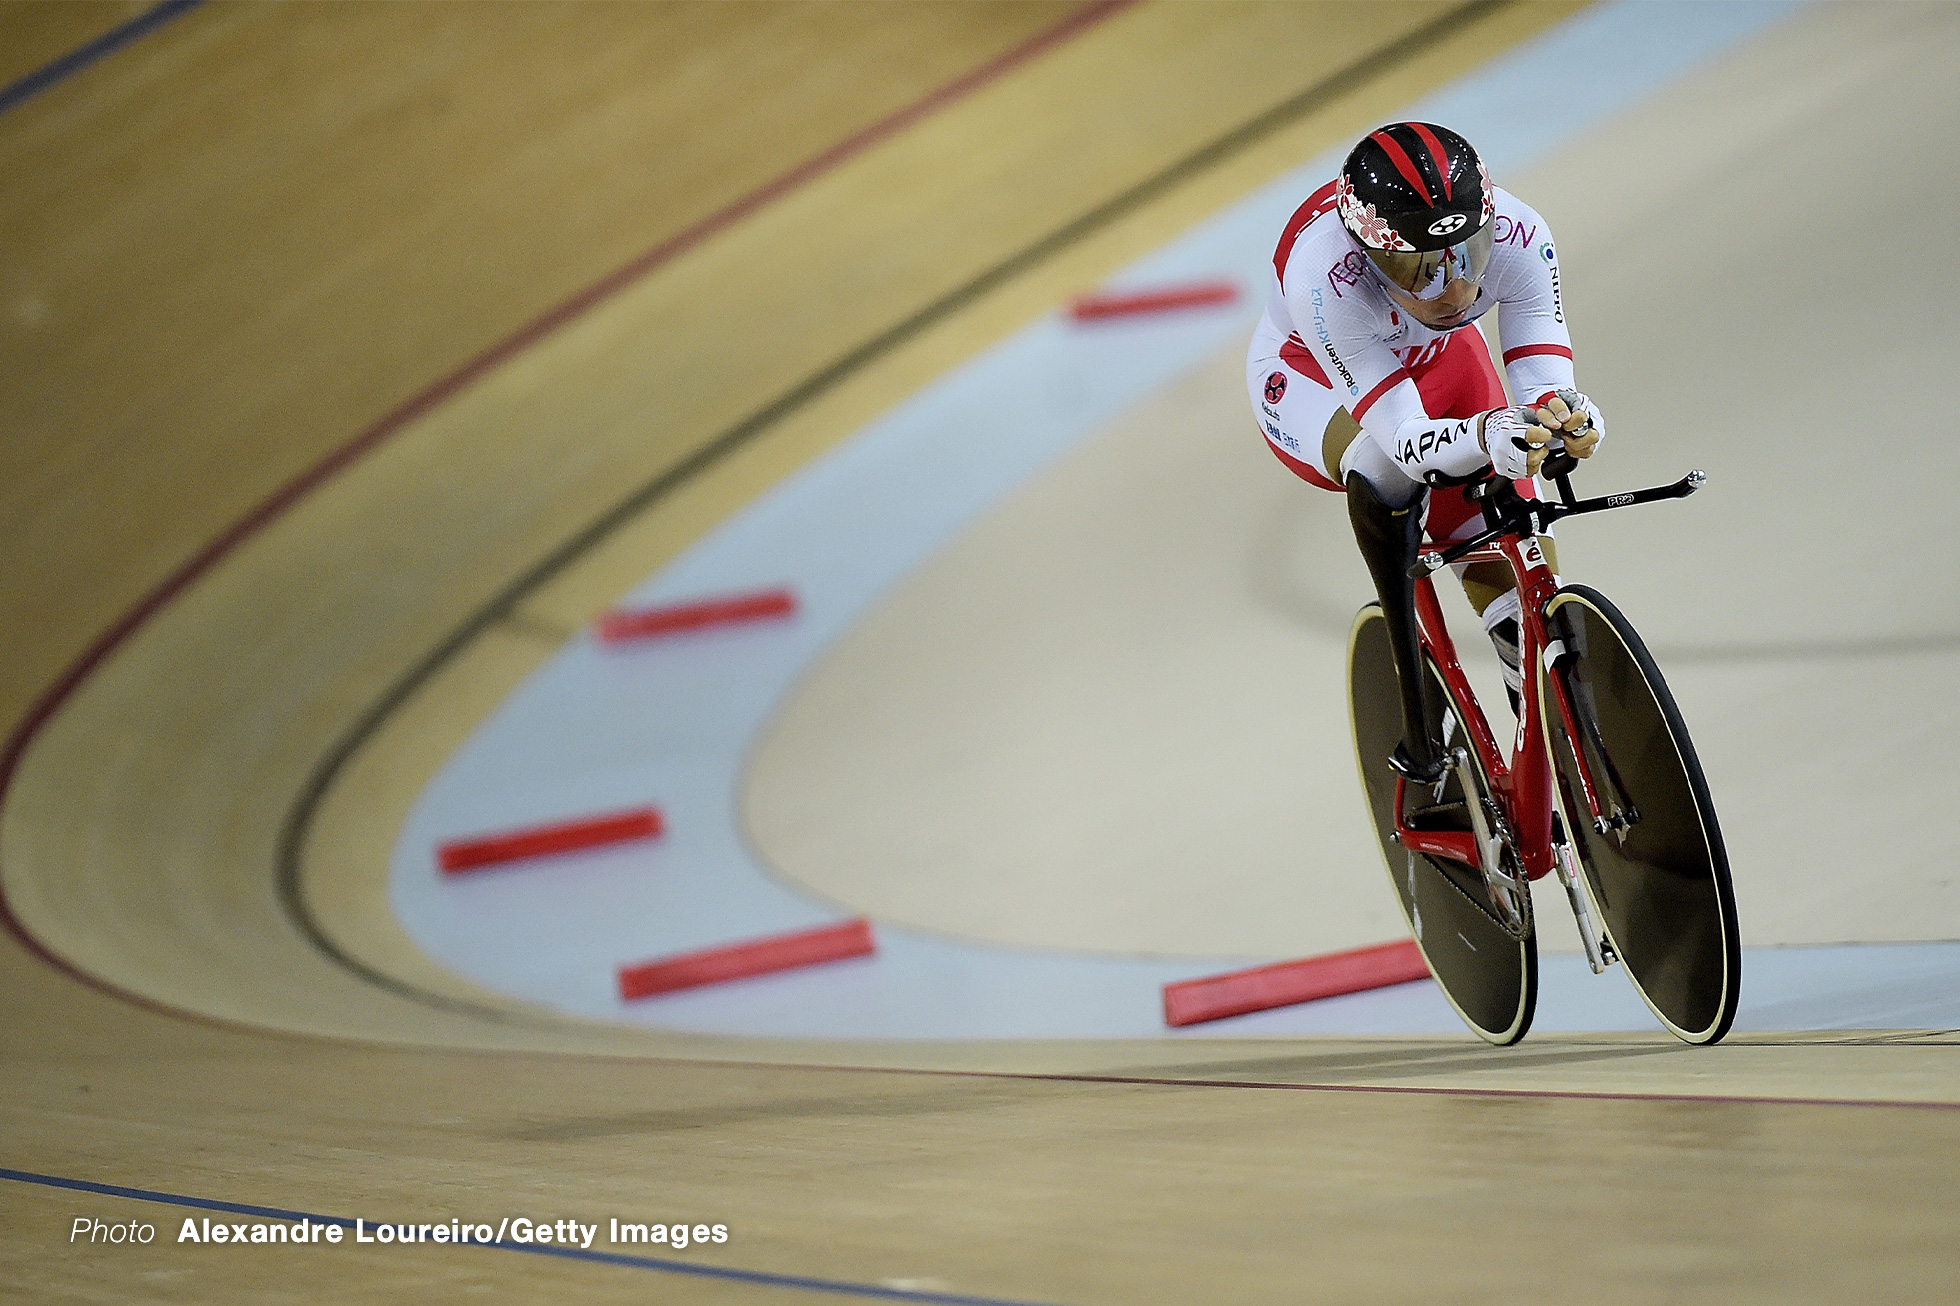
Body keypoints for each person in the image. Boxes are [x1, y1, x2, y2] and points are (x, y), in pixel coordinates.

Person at [1246, 121, 1602, 783]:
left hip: (1439, 359)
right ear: (1369, 254)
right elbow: (1407, 444)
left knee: (1522, 579)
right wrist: (1490, 434)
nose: (1451, 288)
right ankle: (1416, 708)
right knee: (1384, 471)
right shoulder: (1325, 275)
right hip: (1312, 380)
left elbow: (1544, 376)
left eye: (1468, 253)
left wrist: (1566, 413)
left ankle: (1547, 760)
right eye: (1415, 267)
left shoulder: (1521, 234)